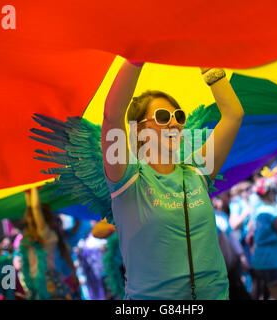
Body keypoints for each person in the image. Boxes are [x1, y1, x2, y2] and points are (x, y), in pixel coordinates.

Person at [101, 60, 244, 300]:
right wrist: (136, 57)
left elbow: (233, 115)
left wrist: (207, 63)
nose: (175, 123)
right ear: (137, 129)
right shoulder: (127, 179)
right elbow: (112, 116)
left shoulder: (197, 170)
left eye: (178, 116)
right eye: (163, 116)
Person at [17, 187, 79, 300]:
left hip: (50, 284)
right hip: (36, 285)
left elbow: (35, 209)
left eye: (31, 219)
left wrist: (33, 187)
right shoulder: (32, 239)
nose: (28, 220)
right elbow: (32, 210)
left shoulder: (46, 235)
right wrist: (27, 193)